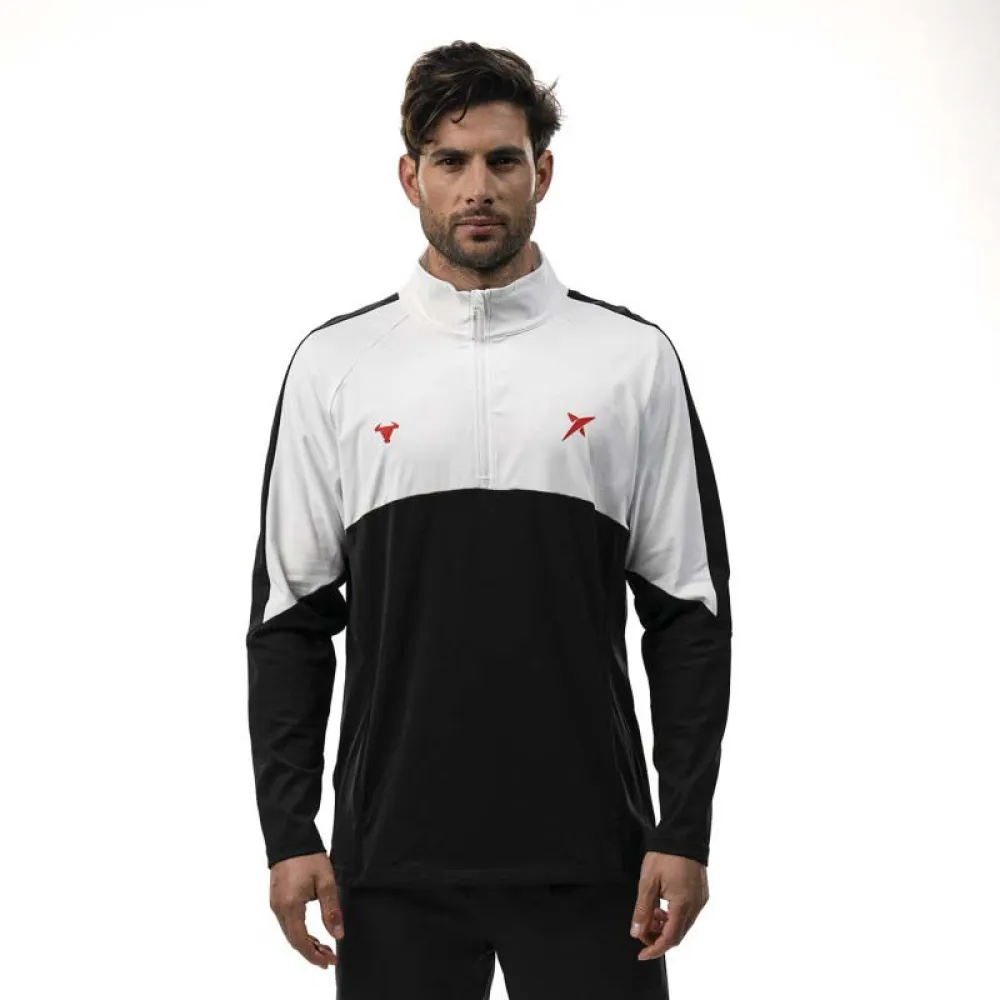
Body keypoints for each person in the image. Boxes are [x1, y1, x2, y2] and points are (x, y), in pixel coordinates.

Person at [247, 39, 732, 998]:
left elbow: (689, 615)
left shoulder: (630, 360)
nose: (478, 187)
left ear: (541, 173)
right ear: (411, 177)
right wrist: (289, 832)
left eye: (503, 160)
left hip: (595, 857)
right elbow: (289, 622)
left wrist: (684, 830)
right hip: (389, 863)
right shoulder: (335, 366)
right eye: (451, 160)